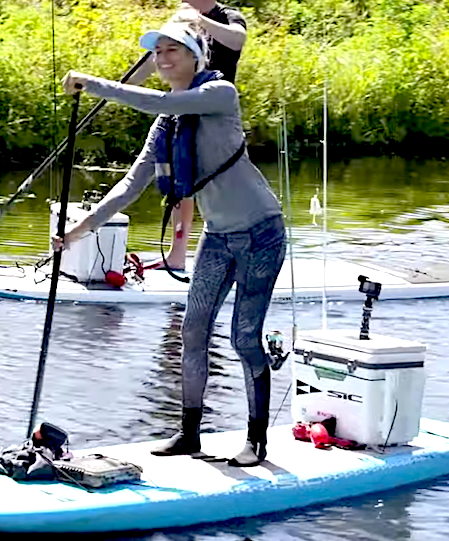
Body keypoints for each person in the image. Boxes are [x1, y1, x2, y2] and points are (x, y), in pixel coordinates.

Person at [55, 23, 284, 467]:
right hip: (217, 236)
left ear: (196, 56)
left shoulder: (220, 94)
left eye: (171, 50)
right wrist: (78, 231)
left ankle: (256, 441)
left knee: (243, 338)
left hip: (261, 233)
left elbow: (158, 99)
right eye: (157, 52)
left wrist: (94, 82)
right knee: (191, 330)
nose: (162, 59)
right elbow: (128, 187)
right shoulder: (167, 124)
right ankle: (190, 434)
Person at [133, 0, 248, 271]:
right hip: (180, 111)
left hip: (214, 116)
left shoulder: (228, 17)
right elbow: (149, 63)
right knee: (178, 180)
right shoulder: (178, 23)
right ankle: (177, 254)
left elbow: (237, 40)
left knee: (218, 186)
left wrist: (198, 20)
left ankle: (233, 250)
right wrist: (119, 89)